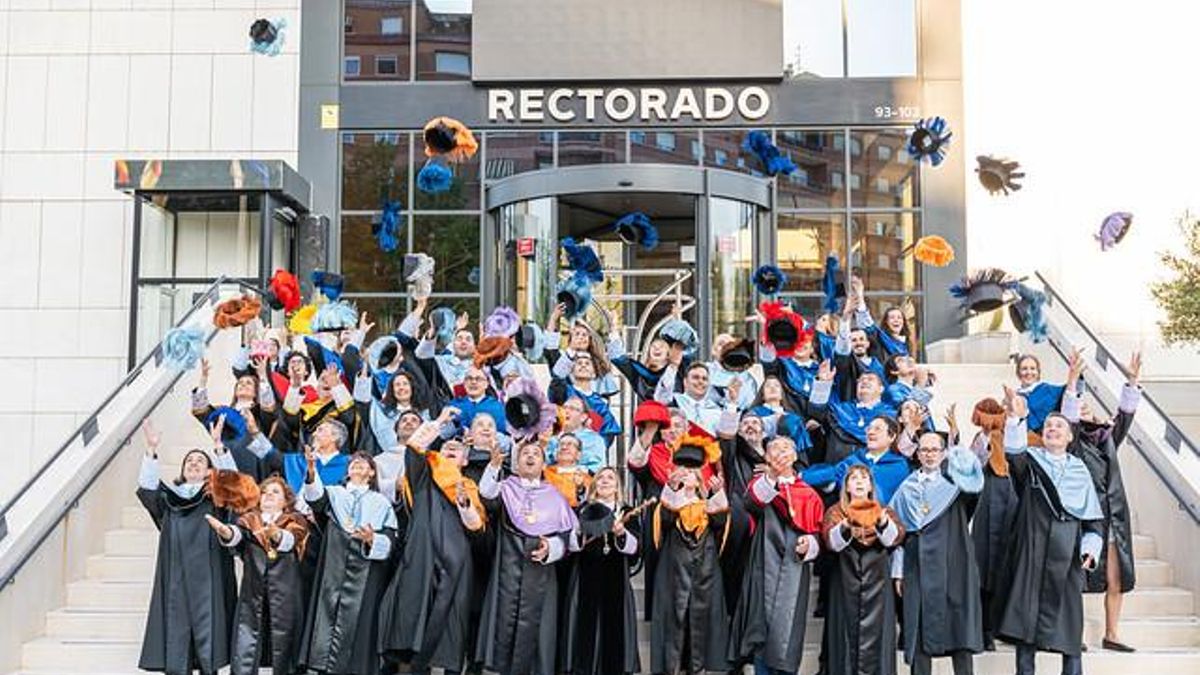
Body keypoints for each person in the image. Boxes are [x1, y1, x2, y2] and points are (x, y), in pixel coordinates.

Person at [997, 385, 1104, 675]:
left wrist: (1090, 552)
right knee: (1025, 631)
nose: (1053, 429)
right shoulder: (1031, 462)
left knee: (1069, 633)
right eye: (1048, 425)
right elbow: (1014, 455)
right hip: (1031, 554)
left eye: (1060, 425)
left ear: (1070, 436)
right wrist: (1016, 419)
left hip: (1066, 559)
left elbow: (1094, 524)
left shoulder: (1082, 471)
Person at [378, 412, 487, 675]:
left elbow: (477, 527)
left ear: (465, 459)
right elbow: (414, 447)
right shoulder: (423, 476)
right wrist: (438, 422)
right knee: (413, 614)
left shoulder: (469, 486)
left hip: (455, 557)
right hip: (421, 552)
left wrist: (464, 505)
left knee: (448, 620)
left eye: (457, 449)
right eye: (447, 446)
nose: (451, 449)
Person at [136, 420, 239, 675]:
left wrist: (217, 447)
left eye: (200, 461)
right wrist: (151, 450)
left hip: (209, 573)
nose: (193, 462)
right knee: (176, 640)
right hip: (176, 574)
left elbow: (234, 485)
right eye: (189, 460)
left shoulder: (216, 497)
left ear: (208, 472)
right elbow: (148, 492)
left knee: (208, 643)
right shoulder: (170, 499)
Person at [476, 441, 578, 675]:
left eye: (536, 454)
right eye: (525, 454)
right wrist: (493, 466)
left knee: (540, 635)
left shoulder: (554, 494)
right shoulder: (505, 487)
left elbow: (569, 536)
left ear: (544, 463)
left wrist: (551, 547)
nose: (530, 457)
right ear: (516, 462)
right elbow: (486, 495)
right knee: (503, 627)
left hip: (541, 574)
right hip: (508, 570)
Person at [889, 430, 984, 675]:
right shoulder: (906, 489)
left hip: (955, 565)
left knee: (959, 631)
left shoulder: (957, 486)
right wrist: (898, 571)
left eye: (935, 450)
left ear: (944, 453)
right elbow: (899, 535)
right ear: (917, 454)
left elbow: (975, 491)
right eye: (924, 450)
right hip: (917, 567)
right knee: (919, 631)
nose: (929, 455)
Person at [1066, 352, 1142, 652]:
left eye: (1087, 406)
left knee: (1116, 577)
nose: (1083, 408)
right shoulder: (1073, 441)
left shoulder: (1107, 436)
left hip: (1114, 514)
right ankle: (1076, 635)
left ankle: (1111, 634)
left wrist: (1132, 380)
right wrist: (1072, 381)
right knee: (1081, 578)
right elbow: (1069, 414)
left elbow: (1125, 415)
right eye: (1079, 406)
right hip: (1087, 517)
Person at [729, 436, 824, 675]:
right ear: (766, 457)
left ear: (794, 456)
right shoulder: (762, 484)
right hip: (764, 561)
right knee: (761, 626)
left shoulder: (809, 494)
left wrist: (809, 544)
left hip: (794, 565)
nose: (781, 453)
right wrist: (771, 476)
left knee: (787, 629)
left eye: (786, 449)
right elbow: (752, 503)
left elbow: (818, 532)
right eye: (774, 450)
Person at [300, 450, 398, 675]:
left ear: (372, 473)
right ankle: (319, 666)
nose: (357, 466)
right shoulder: (335, 494)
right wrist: (312, 471)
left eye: (364, 464)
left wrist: (373, 539)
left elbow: (391, 541)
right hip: (333, 563)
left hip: (365, 569)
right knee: (325, 615)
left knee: (359, 623)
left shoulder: (381, 503)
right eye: (354, 463)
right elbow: (315, 500)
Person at [207, 476, 310, 675]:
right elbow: (238, 535)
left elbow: (291, 540)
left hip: (286, 590)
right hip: (253, 588)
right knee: (246, 636)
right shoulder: (249, 519)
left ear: (286, 500)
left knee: (286, 639)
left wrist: (276, 534)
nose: (268, 495)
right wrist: (225, 531)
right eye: (264, 492)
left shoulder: (295, 520)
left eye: (275, 492)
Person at [648, 440, 731, 675]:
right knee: (674, 617)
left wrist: (717, 495)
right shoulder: (669, 503)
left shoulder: (709, 505)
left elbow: (721, 526)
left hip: (705, 568)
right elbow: (661, 524)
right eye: (682, 472)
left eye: (692, 473)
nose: (686, 476)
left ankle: (699, 667)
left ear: (700, 480)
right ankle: (671, 667)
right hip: (673, 568)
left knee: (700, 618)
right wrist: (671, 490)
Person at [820, 464, 906, 675]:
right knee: (844, 640)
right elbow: (832, 543)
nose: (859, 482)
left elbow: (894, 539)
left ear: (870, 486)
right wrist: (848, 524)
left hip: (877, 585)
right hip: (845, 581)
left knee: (879, 641)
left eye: (864, 478)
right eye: (853, 478)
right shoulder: (835, 512)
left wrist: (882, 522)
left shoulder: (884, 511)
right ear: (846, 486)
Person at [562, 466, 642, 675]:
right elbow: (571, 545)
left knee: (614, 632)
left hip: (615, 575)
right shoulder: (582, 510)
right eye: (600, 478)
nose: (605, 481)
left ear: (617, 486)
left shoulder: (626, 511)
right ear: (594, 484)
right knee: (584, 627)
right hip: (585, 575)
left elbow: (636, 549)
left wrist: (621, 532)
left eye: (610, 478)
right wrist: (581, 532)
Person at [968, 397, 1019, 650]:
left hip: (1016, 505)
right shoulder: (983, 439)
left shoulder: (1028, 437)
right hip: (990, 502)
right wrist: (987, 435)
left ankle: (1005, 626)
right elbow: (972, 465)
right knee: (986, 564)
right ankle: (984, 628)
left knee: (1009, 566)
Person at [803, 415, 912, 507]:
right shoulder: (855, 459)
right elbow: (831, 474)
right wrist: (799, 477)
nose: (871, 432)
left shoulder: (899, 466)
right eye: (869, 428)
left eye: (877, 429)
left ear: (892, 436)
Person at [1014, 349, 1084, 434]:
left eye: (1032, 368)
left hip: (1056, 435)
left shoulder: (1048, 389)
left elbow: (1070, 393)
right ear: (1018, 373)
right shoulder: (1014, 397)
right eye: (1024, 369)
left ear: (1038, 372)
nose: (1029, 372)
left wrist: (1076, 374)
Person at [545, 396, 608, 473]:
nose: (566, 411)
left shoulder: (595, 440)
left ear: (583, 417)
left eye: (572, 408)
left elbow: (598, 469)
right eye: (564, 408)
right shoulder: (551, 438)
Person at [543, 433, 592, 507]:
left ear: (579, 454)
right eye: (561, 444)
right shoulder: (543, 473)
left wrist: (580, 489)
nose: (564, 447)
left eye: (570, 444)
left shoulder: (587, 479)